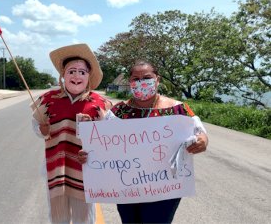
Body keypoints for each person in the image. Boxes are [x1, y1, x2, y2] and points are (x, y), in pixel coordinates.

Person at [78, 60, 208, 223]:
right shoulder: (118, 111)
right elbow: (101, 145)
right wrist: (88, 155)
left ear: (157, 79)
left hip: (164, 190)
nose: (141, 83)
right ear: (130, 82)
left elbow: (200, 132)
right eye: (136, 79)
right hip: (126, 188)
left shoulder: (179, 109)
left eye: (146, 77)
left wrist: (202, 141)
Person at [31, 43, 112, 224]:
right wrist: (41, 130)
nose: (76, 76)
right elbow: (35, 123)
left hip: (87, 168)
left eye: (82, 72)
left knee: (84, 216)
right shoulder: (48, 99)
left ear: (88, 77)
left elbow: (110, 137)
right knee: (58, 215)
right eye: (71, 71)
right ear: (63, 75)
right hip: (55, 165)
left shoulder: (101, 103)